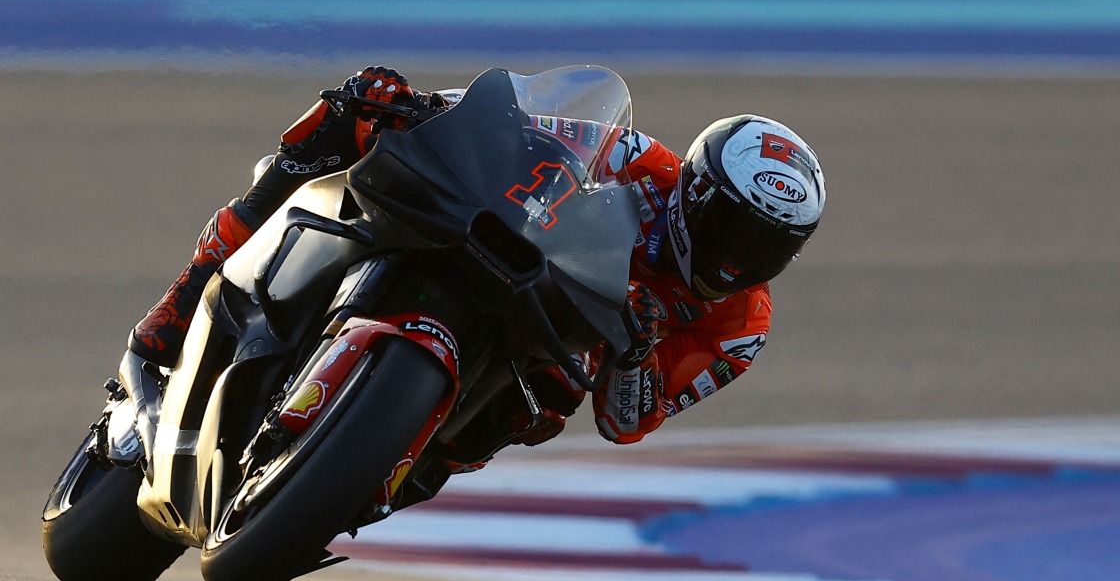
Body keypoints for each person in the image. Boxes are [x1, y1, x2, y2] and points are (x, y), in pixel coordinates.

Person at [125, 66, 825, 451]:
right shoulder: (642, 162)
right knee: (359, 111)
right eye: (730, 227)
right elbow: (518, 124)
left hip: (557, 333)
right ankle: (186, 296)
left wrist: (637, 353)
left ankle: (407, 464)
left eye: (767, 246)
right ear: (696, 190)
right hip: (509, 239)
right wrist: (425, 107)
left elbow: (628, 422)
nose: (739, 258)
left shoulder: (741, 327)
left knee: (553, 402)